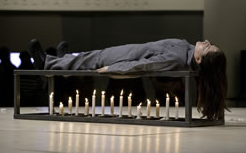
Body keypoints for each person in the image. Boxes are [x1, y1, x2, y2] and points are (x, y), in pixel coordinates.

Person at [28, 38, 228, 120]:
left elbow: (146, 66)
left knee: (95, 58)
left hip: (130, 57)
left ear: (200, 59)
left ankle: (46, 65)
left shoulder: (178, 58)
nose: (207, 41)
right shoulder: (186, 50)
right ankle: (63, 61)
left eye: (208, 47)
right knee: (93, 55)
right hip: (132, 51)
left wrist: (114, 69)